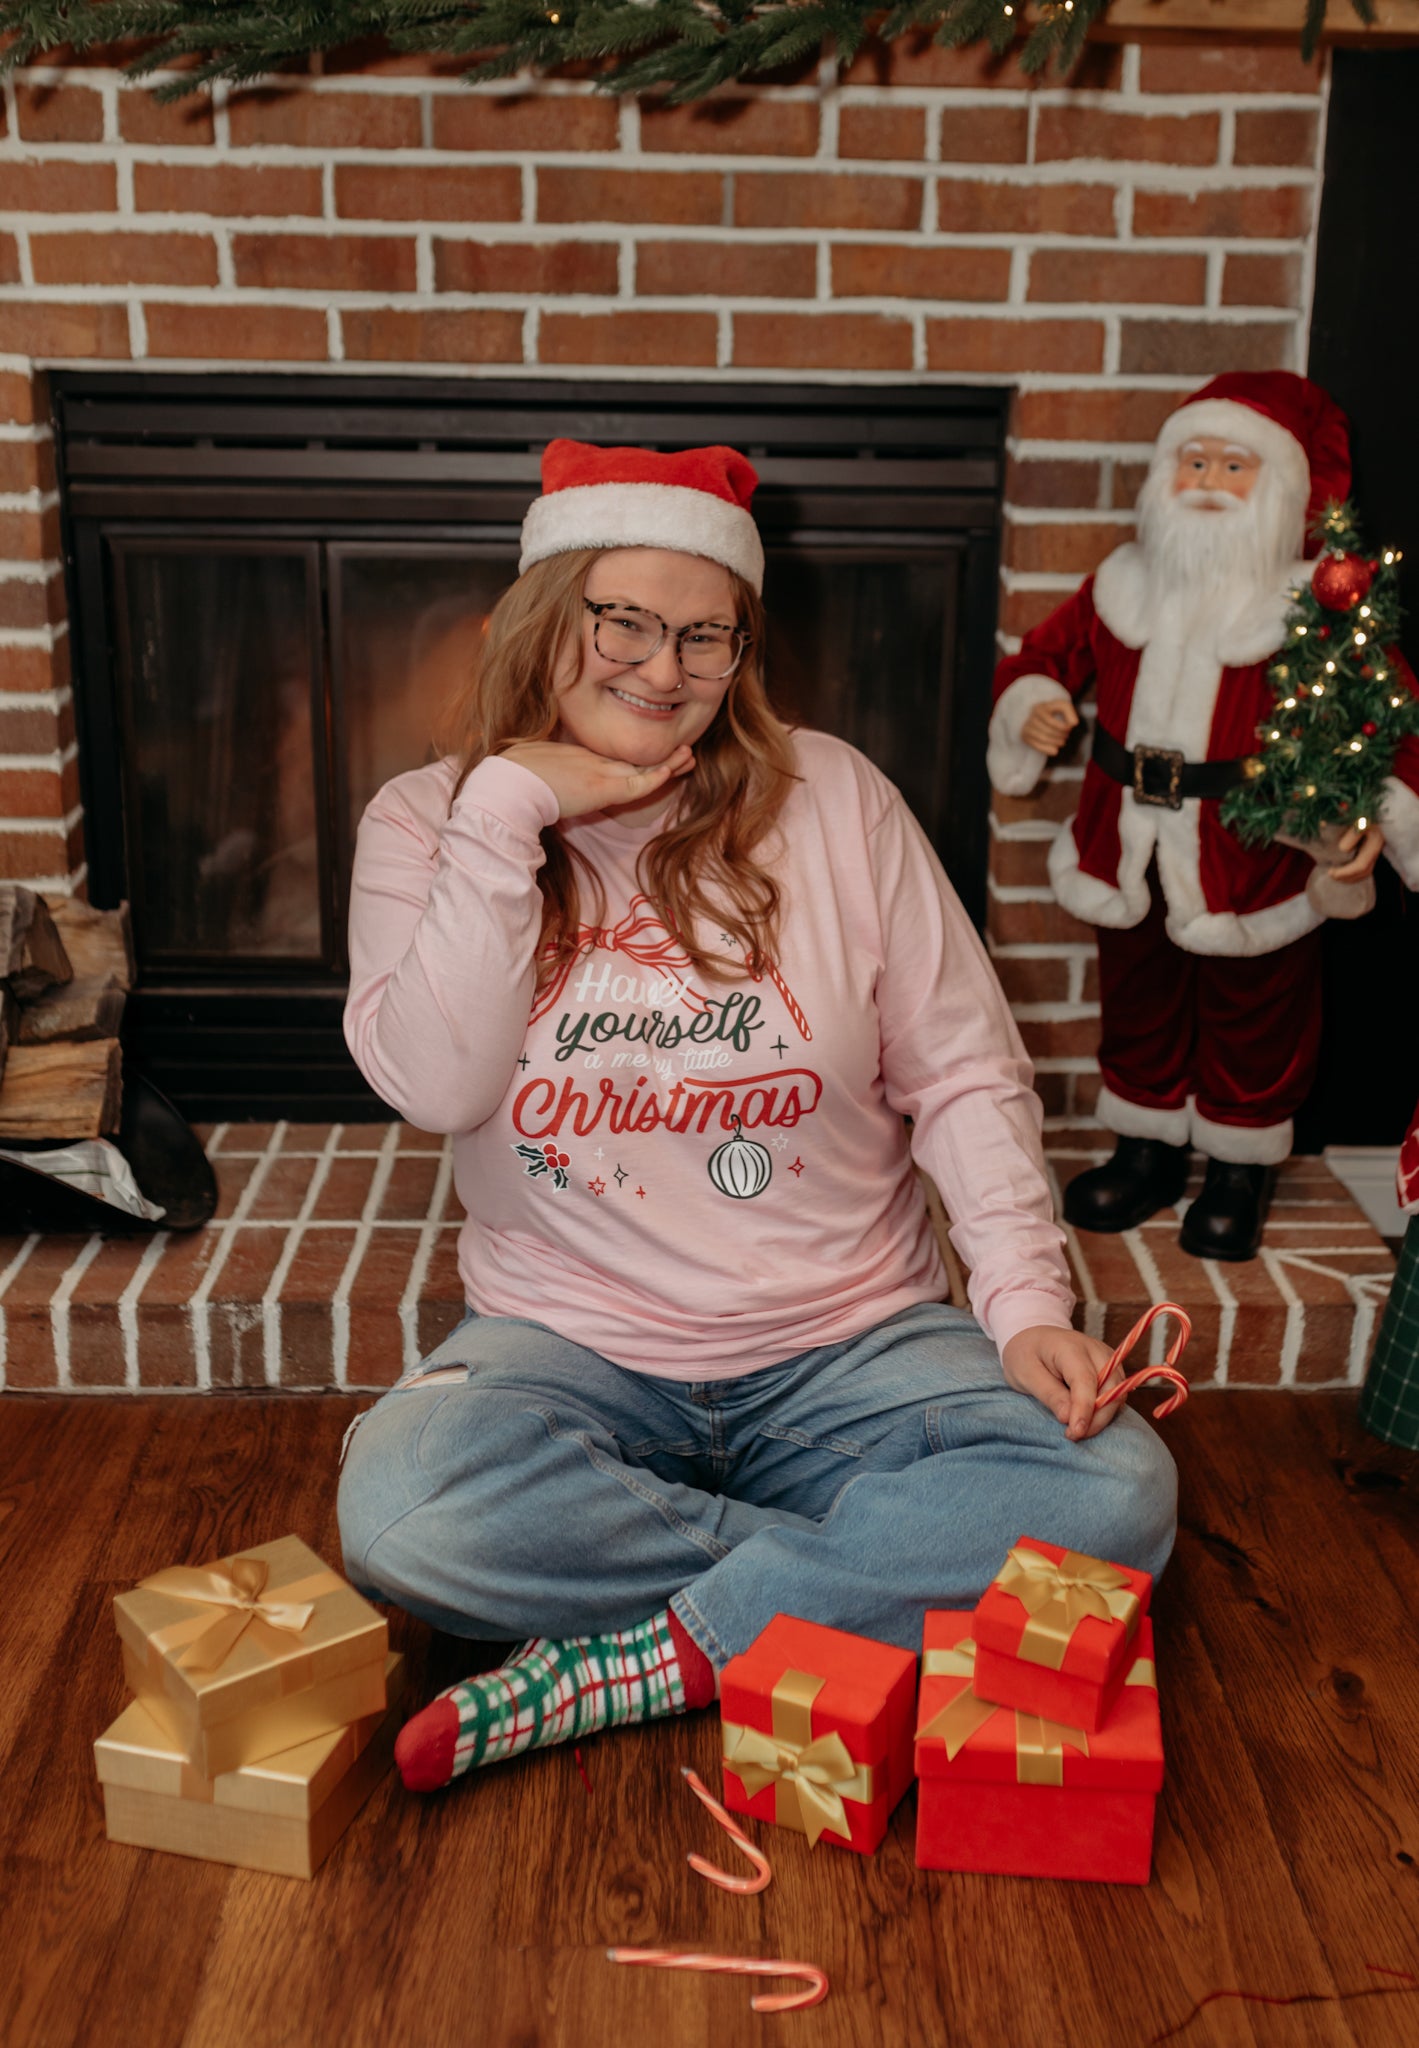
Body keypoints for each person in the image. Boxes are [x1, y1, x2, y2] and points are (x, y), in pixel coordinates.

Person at [336, 438, 1177, 1796]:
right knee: (403, 1506)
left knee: (1120, 1488)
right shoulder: (429, 823)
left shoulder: (834, 799)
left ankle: (652, 1651)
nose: (662, 670)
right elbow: (435, 1087)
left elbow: (961, 1069)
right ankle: (867, 1566)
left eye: (705, 635)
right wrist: (507, 810)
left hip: (851, 1342)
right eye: (623, 621)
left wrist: (1023, 1307)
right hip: (569, 1347)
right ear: (548, 617)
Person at [988, 372, 1419, 1261]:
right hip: (1126, 842)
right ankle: (1143, 1146)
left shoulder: (1314, 603)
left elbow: (1391, 714)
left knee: (1253, 1009)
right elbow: (1045, 653)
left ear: (1285, 492)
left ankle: (1235, 1167)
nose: (1209, 483)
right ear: (1164, 472)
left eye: (1235, 466)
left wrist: (1386, 812)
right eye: (1194, 461)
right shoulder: (1121, 582)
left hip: (1250, 849)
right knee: (1138, 996)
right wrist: (1031, 698)